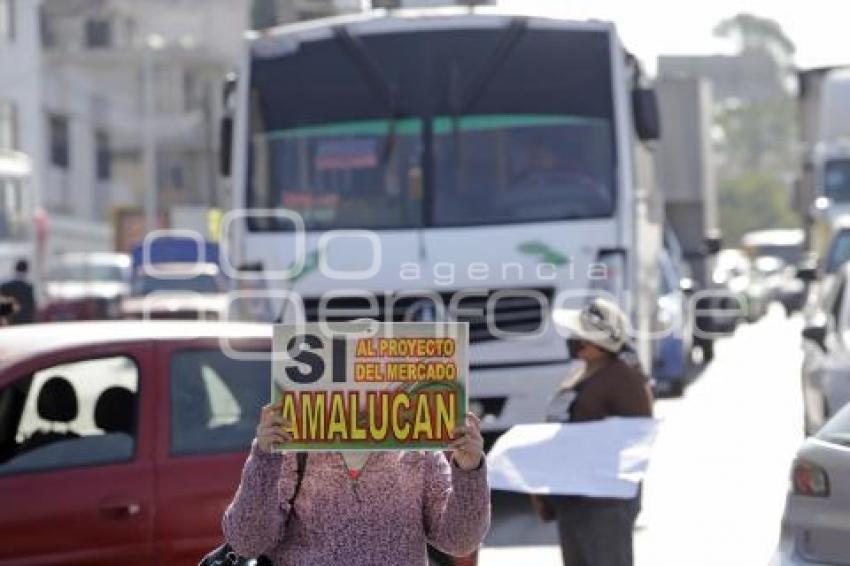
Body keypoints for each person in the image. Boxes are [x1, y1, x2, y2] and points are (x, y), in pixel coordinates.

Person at [222, 404, 490, 565]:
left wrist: (469, 468)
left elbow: (459, 541)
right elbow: (247, 540)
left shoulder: (419, 450)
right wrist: (265, 456)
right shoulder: (294, 447)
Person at [547, 297, 654, 566]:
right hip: (572, 494)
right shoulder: (580, 371)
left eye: (581, 336)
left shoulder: (623, 376)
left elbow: (636, 436)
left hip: (604, 500)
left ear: (598, 343)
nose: (574, 340)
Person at [0, 259, 35, 324]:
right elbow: (31, 305)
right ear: (27, 270)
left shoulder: (5, 283)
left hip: (7, 317)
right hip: (24, 317)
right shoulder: (28, 286)